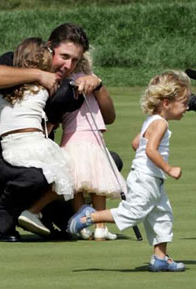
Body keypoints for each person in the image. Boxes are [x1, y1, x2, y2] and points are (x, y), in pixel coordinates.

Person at [0, 23, 123, 241]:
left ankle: (43, 210)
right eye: (64, 56)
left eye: (74, 60)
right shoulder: (17, 59)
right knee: (37, 176)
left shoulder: (66, 84)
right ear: (50, 47)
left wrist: (98, 84)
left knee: (106, 162)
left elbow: (108, 116)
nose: (68, 65)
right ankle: (2, 216)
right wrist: (38, 75)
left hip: (40, 158)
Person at [67, 70, 190, 272]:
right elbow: (150, 150)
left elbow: (137, 144)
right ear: (166, 103)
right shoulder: (160, 123)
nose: (187, 107)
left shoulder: (151, 120)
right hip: (147, 179)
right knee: (133, 213)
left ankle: (160, 258)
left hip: (151, 179)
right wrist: (169, 168)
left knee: (162, 216)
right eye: (183, 102)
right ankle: (89, 217)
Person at [0, 37, 75, 237]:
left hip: (10, 149)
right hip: (34, 143)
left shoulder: (4, 88)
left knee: (52, 176)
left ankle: (42, 214)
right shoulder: (47, 86)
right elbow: (65, 95)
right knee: (70, 175)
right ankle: (32, 212)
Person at [61, 52, 127, 240]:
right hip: (91, 137)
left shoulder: (64, 83)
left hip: (69, 138)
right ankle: (100, 227)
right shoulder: (89, 81)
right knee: (99, 184)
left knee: (77, 186)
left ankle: (82, 227)